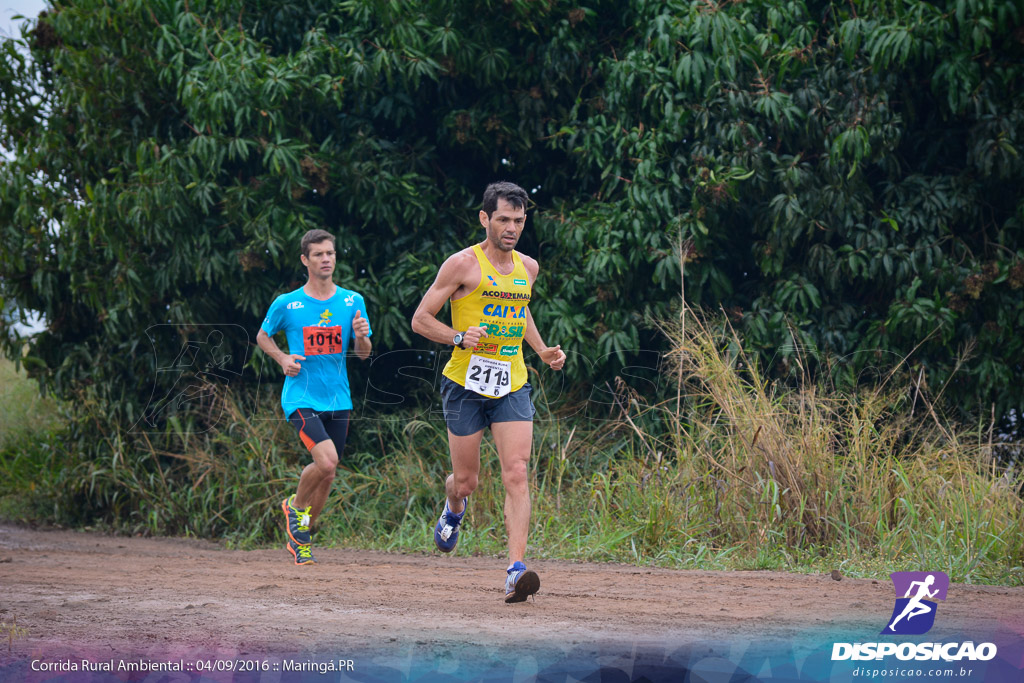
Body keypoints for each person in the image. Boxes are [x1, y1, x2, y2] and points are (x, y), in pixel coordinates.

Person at [411, 181, 566, 602]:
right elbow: (421, 319)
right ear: (485, 219)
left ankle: (516, 570)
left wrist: (541, 350)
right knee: (467, 481)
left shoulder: (528, 268)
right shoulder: (462, 265)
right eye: (503, 219)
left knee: (516, 472)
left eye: (518, 220)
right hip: (464, 383)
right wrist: (459, 336)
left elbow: (521, 307)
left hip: (511, 382)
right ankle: (453, 508)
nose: (511, 227)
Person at [256, 229, 372, 565]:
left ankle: (301, 534)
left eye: (330, 253)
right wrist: (283, 358)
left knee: (329, 474)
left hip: (338, 399)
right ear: (305, 260)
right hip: (300, 398)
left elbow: (363, 355)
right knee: (327, 461)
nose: (326, 259)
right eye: (319, 254)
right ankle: (294, 508)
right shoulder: (287, 303)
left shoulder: (352, 301)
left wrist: (362, 338)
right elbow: (263, 336)